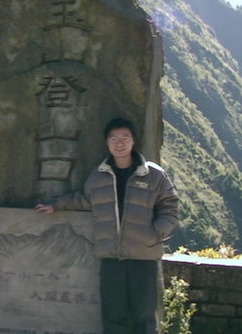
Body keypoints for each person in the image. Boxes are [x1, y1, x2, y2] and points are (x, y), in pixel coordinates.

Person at [35, 117, 180, 334]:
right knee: (113, 317)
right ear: (107, 142)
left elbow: (170, 206)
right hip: (112, 258)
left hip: (143, 256)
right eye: (114, 138)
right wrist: (56, 205)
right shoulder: (99, 176)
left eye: (124, 138)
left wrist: (156, 232)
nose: (119, 143)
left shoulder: (153, 174)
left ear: (133, 141)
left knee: (145, 318)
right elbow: (85, 200)